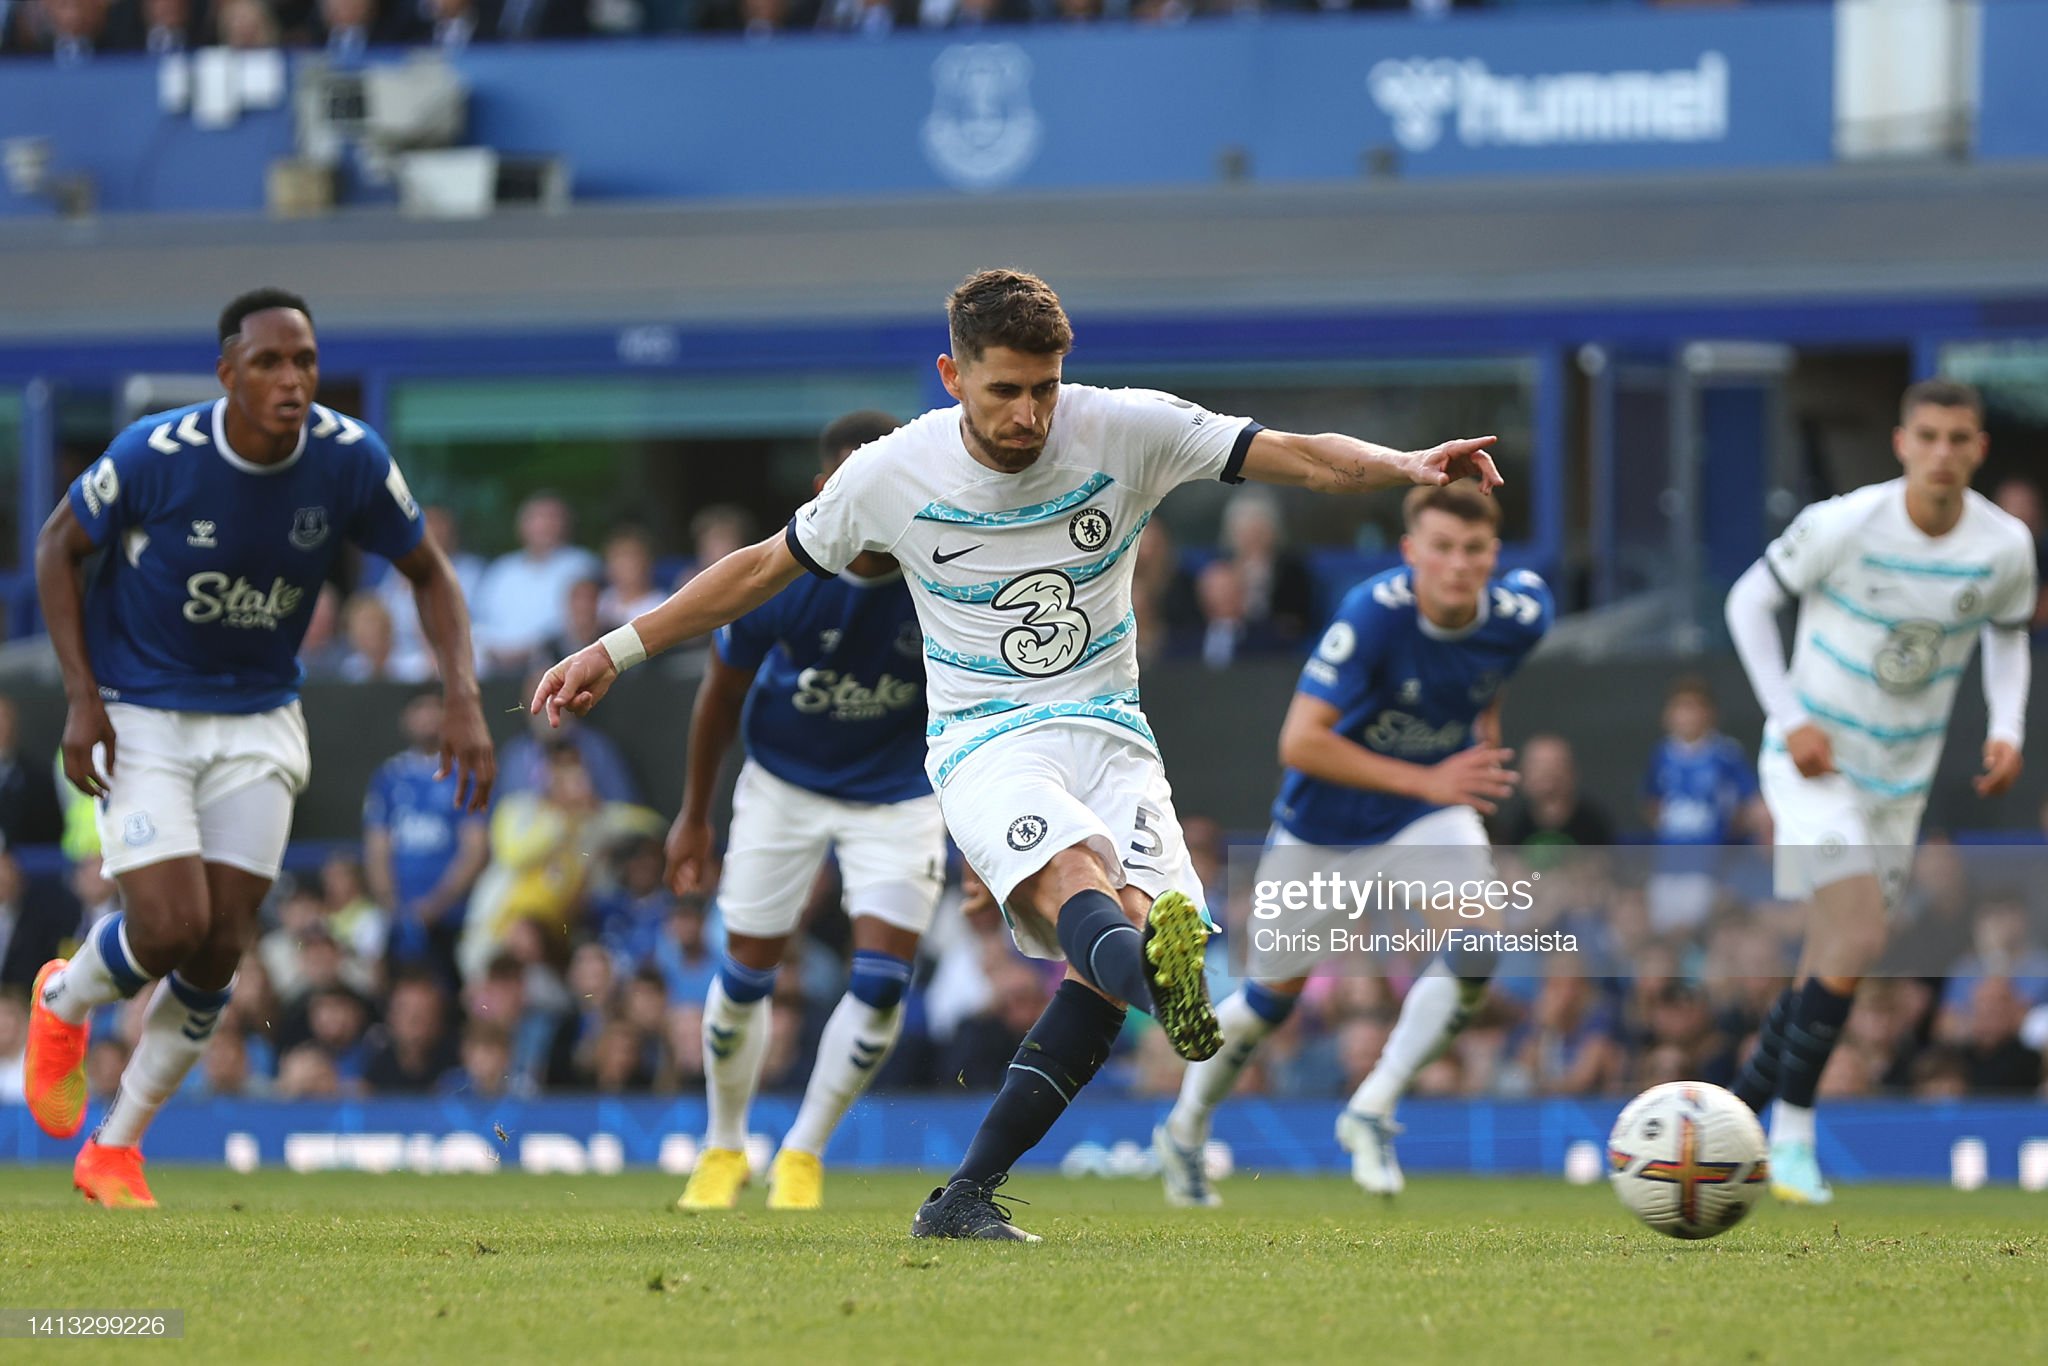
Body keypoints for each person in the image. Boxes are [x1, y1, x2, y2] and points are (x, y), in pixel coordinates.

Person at [530, 268, 1498, 1241]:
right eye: (1004, 389)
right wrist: (617, 647)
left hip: (1113, 734)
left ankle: (965, 1193)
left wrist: (1406, 463)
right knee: (1086, 885)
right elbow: (755, 571)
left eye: (1045, 387)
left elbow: (1295, 455)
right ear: (952, 374)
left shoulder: (1123, 427)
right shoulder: (888, 471)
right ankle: (1158, 981)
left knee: (1106, 965)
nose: (1030, 412)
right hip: (985, 738)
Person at [23, 287, 494, 1209]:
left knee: (221, 946)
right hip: (142, 707)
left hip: (260, 716)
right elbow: (54, 547)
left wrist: (463, 697)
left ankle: (116, 1149)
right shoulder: (157, 454)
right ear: (227, 372)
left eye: (306, 362)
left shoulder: (349, 457)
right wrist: (81, 699)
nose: (291, 380)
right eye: (270, 363)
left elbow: (428, 570)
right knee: (167, 925)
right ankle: (65, 1000)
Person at [1156, 484, 1551, 1206]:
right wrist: (1431, 777)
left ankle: (1373, 1107)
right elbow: (1298, 742)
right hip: (1324, 829)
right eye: (1441, 549)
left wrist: (1473, 750)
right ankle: (1184, 1130)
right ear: (1411, 553)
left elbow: (1487, 679)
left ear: (1494, 555)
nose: (1457, 565)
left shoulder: (1524, 613)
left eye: (1473, 551)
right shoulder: (1373, 615)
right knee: (1270, 1001)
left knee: (1477, 944)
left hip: (1423, 815)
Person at [1723, 378, 2035, 1205]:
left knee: (1836, 954)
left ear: (1978, 449)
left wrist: (2009, 726)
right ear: (1902, 444)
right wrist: (1789, 719)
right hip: (1814, 765)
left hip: (1901, 782)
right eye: (1926, 436)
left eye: (1957, 439)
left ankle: (1735, 1113)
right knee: (1856, 933)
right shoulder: (1844, 523)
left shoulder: (2004, 546)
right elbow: (1747, 602)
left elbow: (2008, 639)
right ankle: (1790, 1137)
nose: (1941, 453)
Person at [663, 410, 945, 1213]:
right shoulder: (780, 575)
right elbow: (718, 698)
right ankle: (723, 1146)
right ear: (827, 489)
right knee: (746, 973)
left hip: (895, 793)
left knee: (885, 981)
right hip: (782, 784)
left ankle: (804, 1152)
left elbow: (973, 712)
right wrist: (694, 815)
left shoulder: (942, 582)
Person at [364, 691, 491, 989]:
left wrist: (434, 907)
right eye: (419, 709)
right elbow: (377, 848)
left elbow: (475, 850)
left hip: (452, 920)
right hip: (398, 919)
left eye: (436, 709)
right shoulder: (388, 777)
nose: (428, 718)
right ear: (405, 718)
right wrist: (393, 907)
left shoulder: (468, 772)